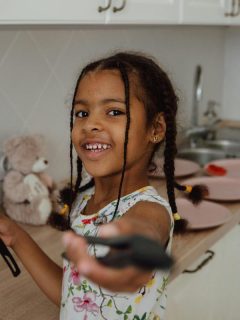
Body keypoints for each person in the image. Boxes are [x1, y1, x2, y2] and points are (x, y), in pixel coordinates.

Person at [0, 51, 206, 320]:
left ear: (155, 128)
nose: (91, 124)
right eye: (82, 113)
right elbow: (74, 296)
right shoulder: (85, 202)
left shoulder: (150, 210)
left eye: (114, 112)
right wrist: (14, 234)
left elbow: (145, 230)